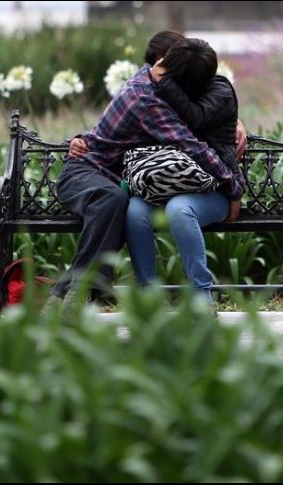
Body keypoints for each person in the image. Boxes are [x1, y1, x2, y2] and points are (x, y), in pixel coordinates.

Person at [47, 37, 241, 313]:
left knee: (119, 200)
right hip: (86, 173)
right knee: (117, 202)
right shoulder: (148, 98)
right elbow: (190, 143)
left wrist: (236, 122)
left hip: (119, 179)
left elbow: (209, 113)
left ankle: (78, 292)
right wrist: (232, 186)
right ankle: (94, 291)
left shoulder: (159, 88)